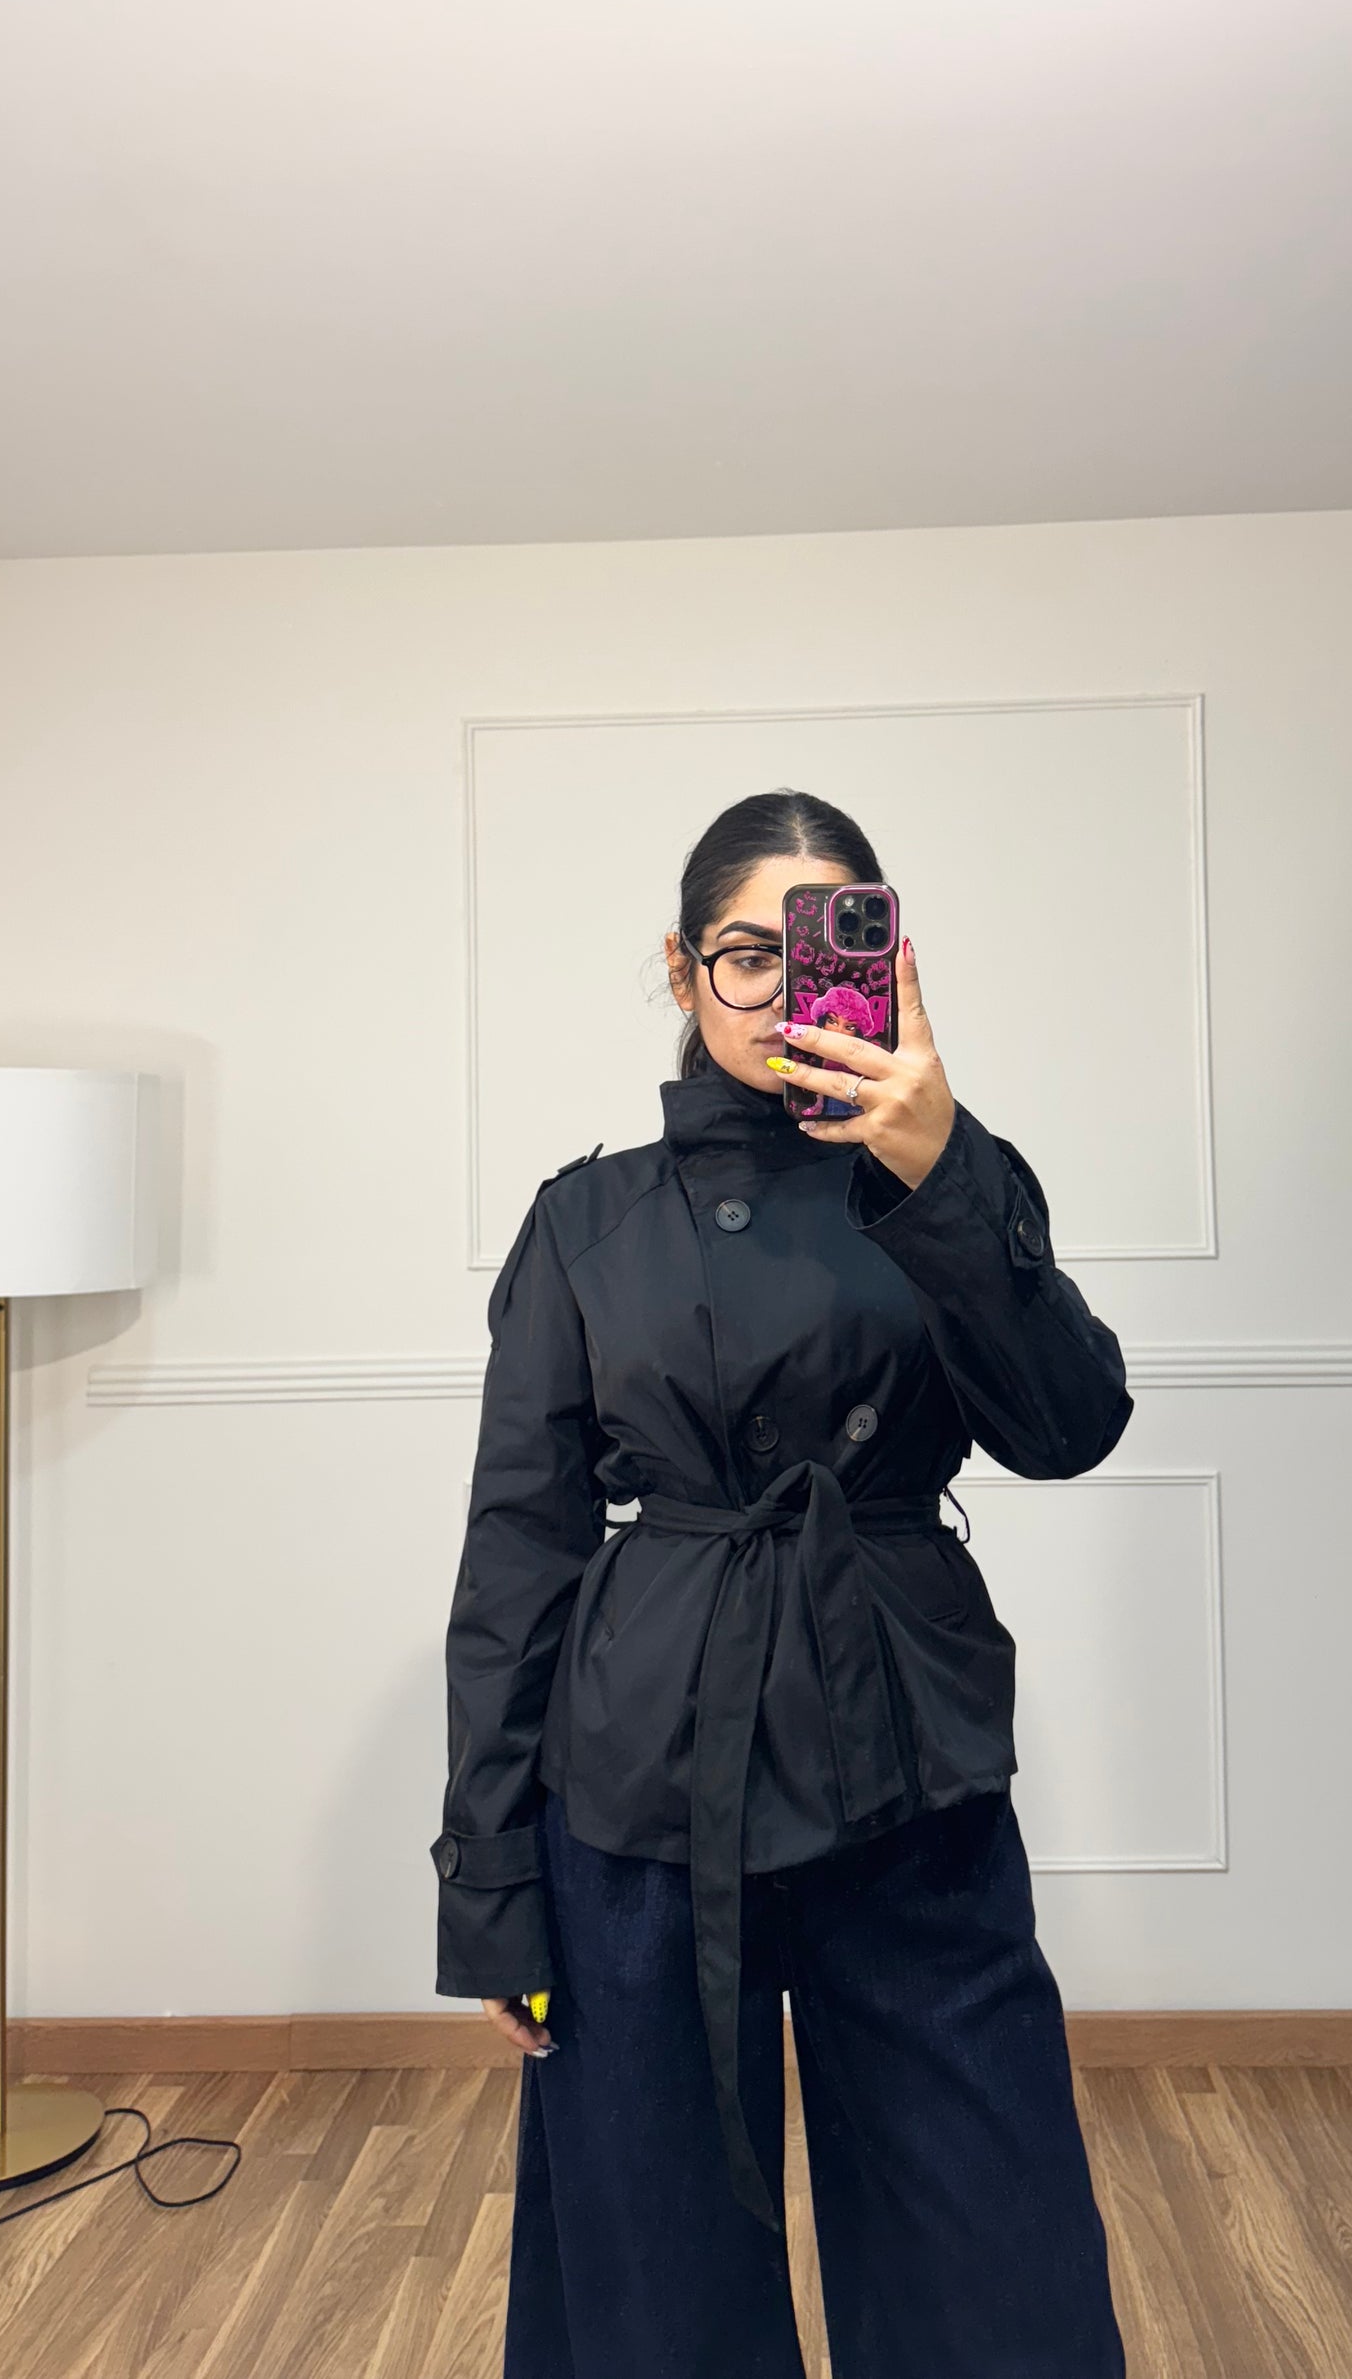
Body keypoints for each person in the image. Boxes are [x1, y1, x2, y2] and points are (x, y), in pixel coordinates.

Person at [432, 789, 1136, 2379]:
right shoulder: (586, 1219)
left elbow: (1068, 1428)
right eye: (746, 954)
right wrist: (489, 1883)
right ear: (682, 969)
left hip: (902, 1742)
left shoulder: (953, 1178)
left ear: (885, 964)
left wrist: (936, 1167)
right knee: (651, 2246)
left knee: (988, 2229)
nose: (778, 991)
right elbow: (519, 1547)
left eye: (824, 948)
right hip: (642, 1766)